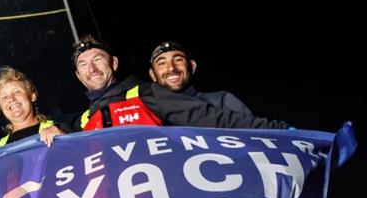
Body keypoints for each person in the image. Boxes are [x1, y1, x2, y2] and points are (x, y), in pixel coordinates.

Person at [38, 34, 288, 140]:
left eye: (98, 60)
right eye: (83, 64)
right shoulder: (83, 121)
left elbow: (209, 117)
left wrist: (281, 131)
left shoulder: (146, 93)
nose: (91, 69)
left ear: (113, 63)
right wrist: (53, 129)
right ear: (78, 75)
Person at [0, 66, 55, 166]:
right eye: (5, 97)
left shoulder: (57, 129)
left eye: (17, 92)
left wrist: (63, 138)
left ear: (32, 96)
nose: (11, 99)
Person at [148, 40, 254, 115]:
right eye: (162, 63)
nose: (171, 68)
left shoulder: (222, 101)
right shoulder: (145, 110)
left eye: (178, 60)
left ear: (192, 66)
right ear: (153, 74)